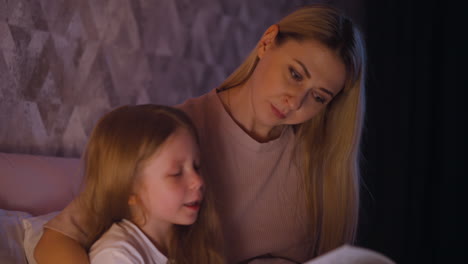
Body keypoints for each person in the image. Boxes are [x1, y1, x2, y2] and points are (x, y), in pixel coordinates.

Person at [35, 4, 366, 264]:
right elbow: (58, 240)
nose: (295, 101)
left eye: (319, 97)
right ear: (267, 42)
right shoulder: (175, 138)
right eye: (295, 74)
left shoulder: (314, 165)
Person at [50, 104, 224, 263]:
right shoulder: (116, 255)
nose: (198, 181)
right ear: (128, 190)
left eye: (197, 166)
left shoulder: (188, 244)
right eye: (176, 173)